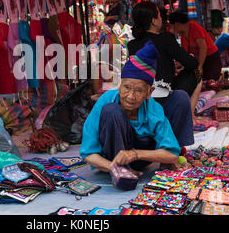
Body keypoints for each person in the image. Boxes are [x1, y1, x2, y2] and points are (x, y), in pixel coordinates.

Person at [80, 41, 190, 176]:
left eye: (139, 91)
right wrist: (115, 169)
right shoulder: (106, 100)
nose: (131, 96)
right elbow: (88, 153)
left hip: (139, 159)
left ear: (149, 92)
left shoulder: (153, 110)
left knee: (181, 97)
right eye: (126, 88)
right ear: (119, 86)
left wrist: (134, 154)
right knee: (111, 111)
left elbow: (172, 154)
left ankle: (130, 166)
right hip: (111, 159)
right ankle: (122, 170)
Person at [127, 1, 200, 131]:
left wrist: (171, 67)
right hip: (163, 97)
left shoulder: (132, 44)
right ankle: (191, 116)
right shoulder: (165, 39)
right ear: (154, 21)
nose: (162, 19)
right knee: (197, 73)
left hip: (142, 98)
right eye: (160, 16)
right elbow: (192, 63)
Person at [169, 11, 222, 81]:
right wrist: (177, 64)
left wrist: (199, 67)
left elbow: (203, 48)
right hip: (200, 60)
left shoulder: (195, 27)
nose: (172, 29)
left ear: (177, 24)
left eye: (172, 26)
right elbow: (185, 54)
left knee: (210, 82)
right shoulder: (183, 35)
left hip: (211, 59)